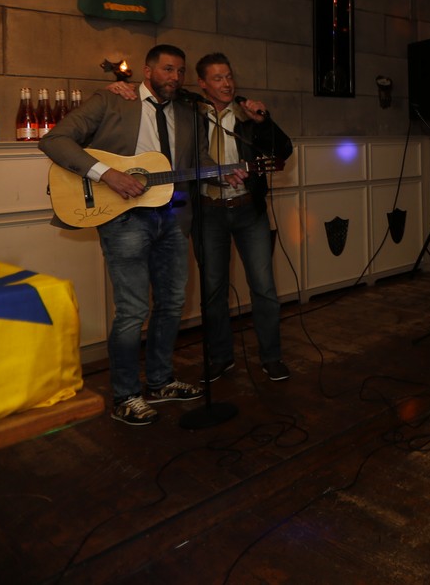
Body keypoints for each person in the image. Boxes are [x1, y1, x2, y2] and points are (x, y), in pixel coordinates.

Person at [41, 44, 237, 426]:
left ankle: (161, 381)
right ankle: (126, 395)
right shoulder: (113, 101)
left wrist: (223, 171)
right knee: (132, 310)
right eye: (167, 69)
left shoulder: (189, 112)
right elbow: (55, 140)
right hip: (124, 219)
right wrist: (108, 174)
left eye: (180, 71)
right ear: (147, 71)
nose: (175, 77)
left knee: (172, 302)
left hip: (173, 216)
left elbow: (197, 160)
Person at [192, 53, 295, 384]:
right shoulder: (190, 114)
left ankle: (271, 357)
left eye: (229, 76)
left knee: (263, 287)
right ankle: (220, 358)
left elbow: (284, 150)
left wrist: (263, 121)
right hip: (209, 211)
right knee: (213, 290)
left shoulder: (247, 114)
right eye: (218, 78)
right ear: (203, 83)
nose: (227, 84)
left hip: (249, 209)